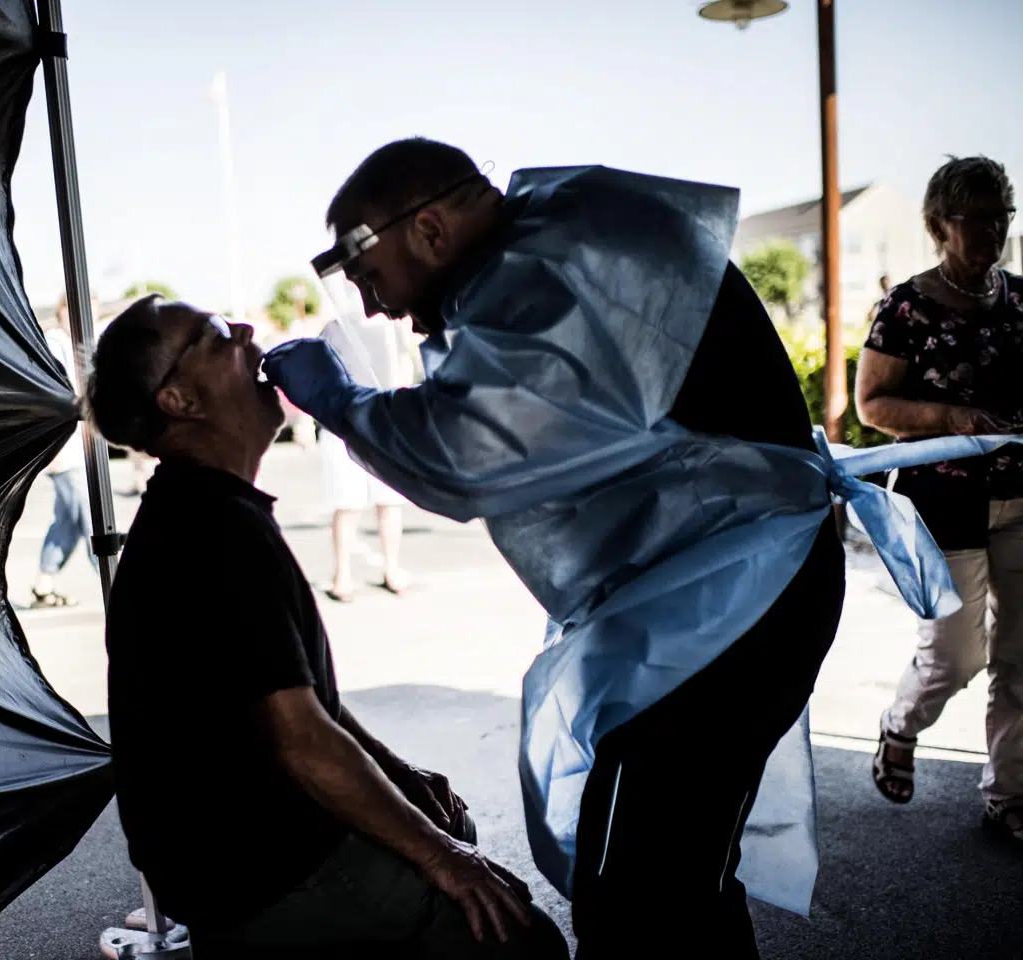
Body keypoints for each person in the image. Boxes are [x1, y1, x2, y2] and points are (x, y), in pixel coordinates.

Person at [261, 139, 1002, 957]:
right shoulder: (558, 233)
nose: (371, 309)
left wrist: (331, 392)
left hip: (739, 598)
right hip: (739, 586)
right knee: (670, 877)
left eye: (368, 276)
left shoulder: (548, 271)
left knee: (642, 891)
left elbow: (464, 454)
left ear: (430, 230)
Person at [87, 295, 567, 959]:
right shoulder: (215, 529)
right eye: (218, 332)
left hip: (232, 863)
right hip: (262, 871)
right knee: (521, 937)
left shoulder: (203, 509)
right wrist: (446, 861)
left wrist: (401, 775)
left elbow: (299, 700)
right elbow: (303, 742)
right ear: (179, 400)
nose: (249, 330)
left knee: (446, 831)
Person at [855, 155, 1022, 843]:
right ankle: (901, 726)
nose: (992, 232)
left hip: (1021, 495)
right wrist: (951, 419)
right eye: (976, 219)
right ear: (938, 225)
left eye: (1002, 217)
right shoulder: (905, 308)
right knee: (957, 655)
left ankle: (1008, 794)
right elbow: (871, 404)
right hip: (943, 503)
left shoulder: (1020, 300)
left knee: (1020, 655)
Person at [318, 313, 414, 602]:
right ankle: (343, 574)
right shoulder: (333, 328)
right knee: (347, 504)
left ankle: (392, 568)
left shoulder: (393, 327)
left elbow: (404, 368)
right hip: (342, 427)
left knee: (389, 502)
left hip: (383, 423)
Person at [31, 305, 96, 607]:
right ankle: (119, 584)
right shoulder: (55, 346)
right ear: (63, 313)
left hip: (74, 451)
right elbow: (50, 397)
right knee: (93, 519)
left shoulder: (74, 347)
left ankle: (44, 585)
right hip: (65, 452)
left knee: (67, 522)